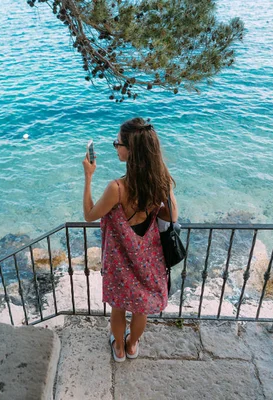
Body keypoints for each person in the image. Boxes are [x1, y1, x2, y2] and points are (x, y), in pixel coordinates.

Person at [82, 117, 178, 362]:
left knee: (118, 307)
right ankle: (133, 345)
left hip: (120, 260)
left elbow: (90, 215)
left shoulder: (117, 188)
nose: (116, 147)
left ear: (130, 150)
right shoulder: (158, 183)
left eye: (118, 143)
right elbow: (172, 215)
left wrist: (88, 176)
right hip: (149, 259)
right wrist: (163, 175)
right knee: (141, 309)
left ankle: (119, 349)